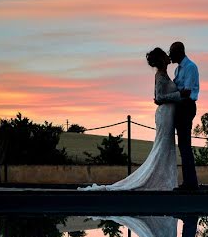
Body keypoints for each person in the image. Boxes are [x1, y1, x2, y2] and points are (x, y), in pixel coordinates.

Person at [79, 48, 180, 191]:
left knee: (166, 147)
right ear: (162, 58)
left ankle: (165, 179)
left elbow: (157, 97)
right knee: (162, 146)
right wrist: (178, 95)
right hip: (165, 115)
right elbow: (158, 98)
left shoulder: (164, 75)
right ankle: (158, 181)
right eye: (165, 54)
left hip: (168, 114)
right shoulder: (160, 76)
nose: (168, 55)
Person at [169, 41, 200, 192]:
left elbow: (187, 91)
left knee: (185, 145)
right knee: (182, 145)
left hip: (187, 106)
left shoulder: (190, 67)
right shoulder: (177, 70)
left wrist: (169, 96)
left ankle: (191, 183)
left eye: (172, 52)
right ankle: (188, 182)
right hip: (180, 107)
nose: (170, 56)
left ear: (179, 52)